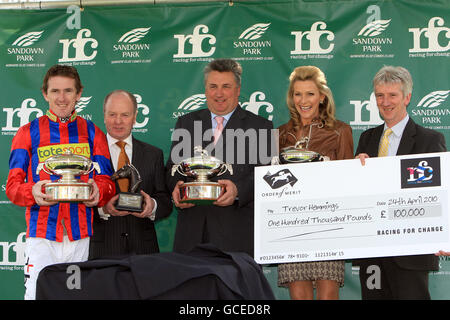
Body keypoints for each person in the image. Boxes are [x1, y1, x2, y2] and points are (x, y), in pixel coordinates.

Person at [5, 64, 116, 300]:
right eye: (55, 91)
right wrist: (32, 191)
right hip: (42, 235)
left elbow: (107, 181)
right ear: (45, 94)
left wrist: (99, 192)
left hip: (80, 236)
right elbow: (12, 187)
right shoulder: (27, 132)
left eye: (68, 91)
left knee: (75, 297)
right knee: (36, 296)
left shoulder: (93, 132)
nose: (62, 98)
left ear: (79, 94)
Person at [354, 65, 447, 299]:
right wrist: (354, 170)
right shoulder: (367, 138)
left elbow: (442, 192)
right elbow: (359, 194)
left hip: (411, 253)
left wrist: (444, 235)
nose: (385, 102)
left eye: (392, 95)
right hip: (372, 251)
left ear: (407, 97)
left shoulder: (429, 140)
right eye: (380, 95)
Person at [166, 58, 274, 257]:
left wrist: (238, 190)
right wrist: (177, 190)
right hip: (191, 234)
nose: (219, 93)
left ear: (238, 89)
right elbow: (173, 169)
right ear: (205, 89)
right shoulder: (186, 122)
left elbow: (266, 176)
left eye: (226, 86)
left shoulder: (260, 127)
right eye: (213, 86)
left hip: (237, 236)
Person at [276, 66, 354, 300]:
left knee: (328, 296)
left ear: (322, 96)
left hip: (327, 224)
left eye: (310, 93)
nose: (303, 100)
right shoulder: (280, 134)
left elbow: (348, 181)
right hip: (290, 224)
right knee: (299, 297)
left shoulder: (340, 131)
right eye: (298, 94)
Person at [89, 90, 172, 259]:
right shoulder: (89, 155)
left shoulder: (153, 154)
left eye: (125, 115)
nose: (118, 121)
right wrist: (103, 209)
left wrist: (152, 207)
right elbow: (77, 204)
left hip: (144, 251)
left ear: (135, 117)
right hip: (101, 252)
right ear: (104, 116)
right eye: (112, 114)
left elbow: (165, 201)